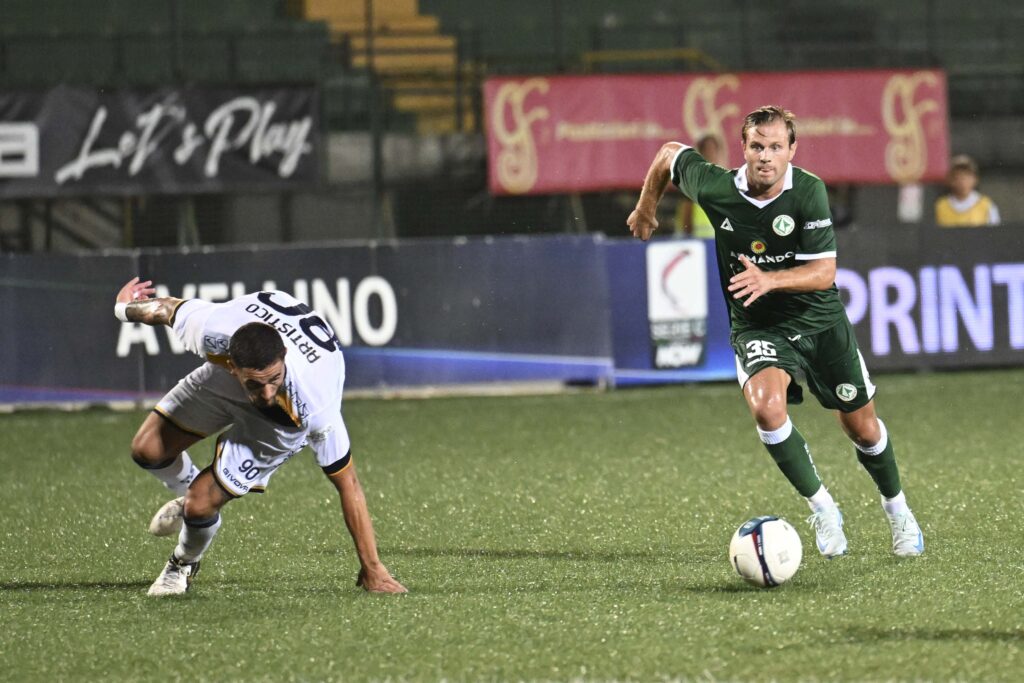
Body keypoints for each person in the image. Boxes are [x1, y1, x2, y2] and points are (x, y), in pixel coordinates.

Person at [627, 105, 924, 558]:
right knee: (767, 410)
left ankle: (897, 509)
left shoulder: (808, 192)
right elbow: (669, 154)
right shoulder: (717, 187)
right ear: (743, 148)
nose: (766, 156)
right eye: (757, 146)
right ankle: (823, 507)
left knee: (862, 429)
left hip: (820, 322)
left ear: (792, 150)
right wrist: (646, 206)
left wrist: (771, 279)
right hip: (758, 325)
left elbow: (824, 273)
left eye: (775, 147)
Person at [114, 277, 407, 595]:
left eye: (273, 379)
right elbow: (164, 309)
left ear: (283, 357)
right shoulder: (214, 328)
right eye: (256, 383)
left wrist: (373, 569)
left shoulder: (314, 404)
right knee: (147, 449)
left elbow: (348, 482)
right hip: (229, 383)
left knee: (200, 506)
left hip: (281, 425)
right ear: (232, 364)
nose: (267, 393)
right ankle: (190, 496)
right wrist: (122, 308)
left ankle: (181, 564)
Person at [674, 133, 724, 238]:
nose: (711, 154)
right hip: (698, 242)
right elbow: (686, 216)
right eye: (708, 150)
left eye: (714, 150)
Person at [934, 154, 1000, 227]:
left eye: (967, 176)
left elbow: (995, 234)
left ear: (975, 179)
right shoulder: (940, 206)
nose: (963, 181)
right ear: (950, 180)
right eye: (958, 176)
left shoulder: (986, 205)